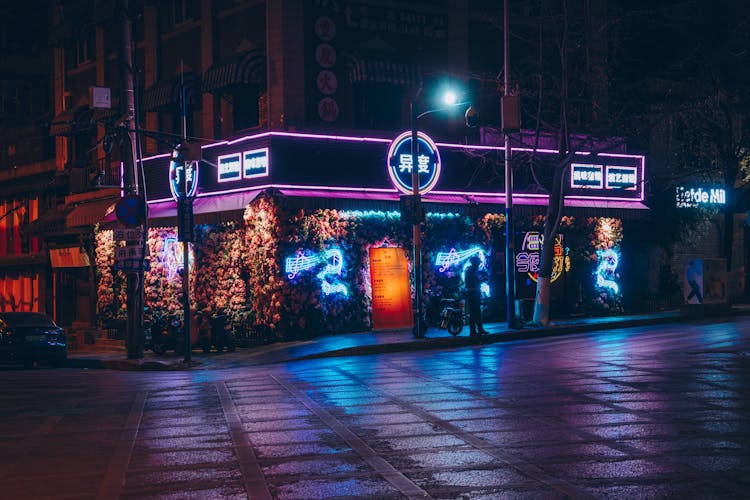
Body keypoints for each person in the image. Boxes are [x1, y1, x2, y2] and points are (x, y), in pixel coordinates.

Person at [464, 255, 488, 335]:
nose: (478, 266)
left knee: (476, 312)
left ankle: (478, 329)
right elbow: (471, 284)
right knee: (475, 312)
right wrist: (482, 280)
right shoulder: (470, 272)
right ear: (475, 264)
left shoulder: (470, 271)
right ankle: (474, 330)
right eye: (477, 264)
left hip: (474, 294)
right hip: (473, 294)